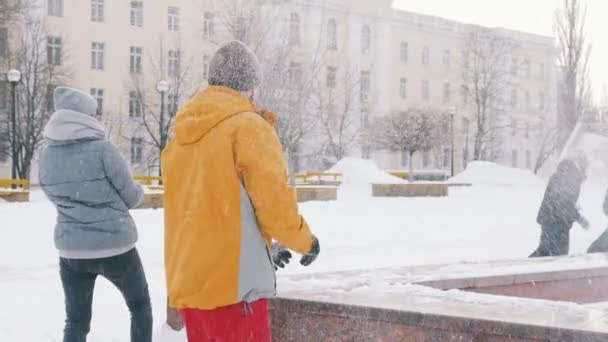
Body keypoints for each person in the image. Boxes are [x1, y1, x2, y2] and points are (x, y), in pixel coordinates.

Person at [162, 40, 320, 342]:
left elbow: (200, 209)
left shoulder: (182, 132)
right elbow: (275, 207)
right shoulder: (248, 126)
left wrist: (259, 250)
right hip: (234, 294)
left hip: (191, 285)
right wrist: (305, 241)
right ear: (250, 86)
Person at [39, 87, 152, 342]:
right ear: (86, 117)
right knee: (140, 306)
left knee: (76, 322)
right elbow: (131, 197)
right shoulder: (103, 149)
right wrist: (139, 191)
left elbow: (54, 196)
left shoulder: (45, 154)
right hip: (117, 248)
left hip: (72, 253)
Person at [530, 151, 590, 257]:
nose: (586, 171)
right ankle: (522, 270)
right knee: (556, 257)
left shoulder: (566, 172)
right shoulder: (571, 175)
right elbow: (564, 202)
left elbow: (562, 198)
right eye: (586, 166)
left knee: (546, 254)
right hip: (556, 221)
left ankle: (523, 270)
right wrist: (579, 218)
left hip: (553, 219)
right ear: (581, 163)